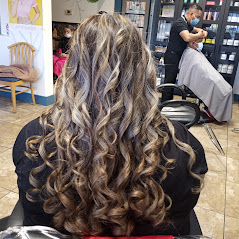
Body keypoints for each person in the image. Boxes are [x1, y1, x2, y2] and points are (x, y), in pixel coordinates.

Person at [13, 13, 208, 238]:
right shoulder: (184, 148)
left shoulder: (33, 141)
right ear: (143, 68)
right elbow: (180, 217)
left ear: (72, 69)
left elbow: (35, 220)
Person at [161, 4, 208, 103]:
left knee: (173, 81)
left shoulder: (187, 23)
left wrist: (202, 32)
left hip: (178, 55)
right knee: (169, 82)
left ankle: (168, 103)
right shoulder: (180, 23)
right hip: (172, 56)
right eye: (198, 17)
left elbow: (196, 30)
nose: (198, 20)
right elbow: (187, 37)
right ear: (192, 14)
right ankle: (164, 105)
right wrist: (199, 35)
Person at [178, 39, 233, 123]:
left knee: (226, 90)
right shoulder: (190, 54)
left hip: (212, 78)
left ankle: (213, 111)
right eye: (200, 42)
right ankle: (213, 112)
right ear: (193, 43)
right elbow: (200, 71)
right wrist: (212, 79)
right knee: (222, 91)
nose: (201, 44)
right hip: (209, 79)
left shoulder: (196, 53)